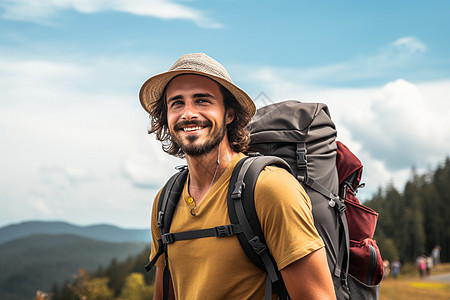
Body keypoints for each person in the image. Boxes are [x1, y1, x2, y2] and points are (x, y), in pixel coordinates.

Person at [140, 53, 336, 300]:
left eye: (202, 101)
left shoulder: (270, 188)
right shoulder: (165, 201)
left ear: (229, 114)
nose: (188, 113)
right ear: (166, 117)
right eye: (176, 103)